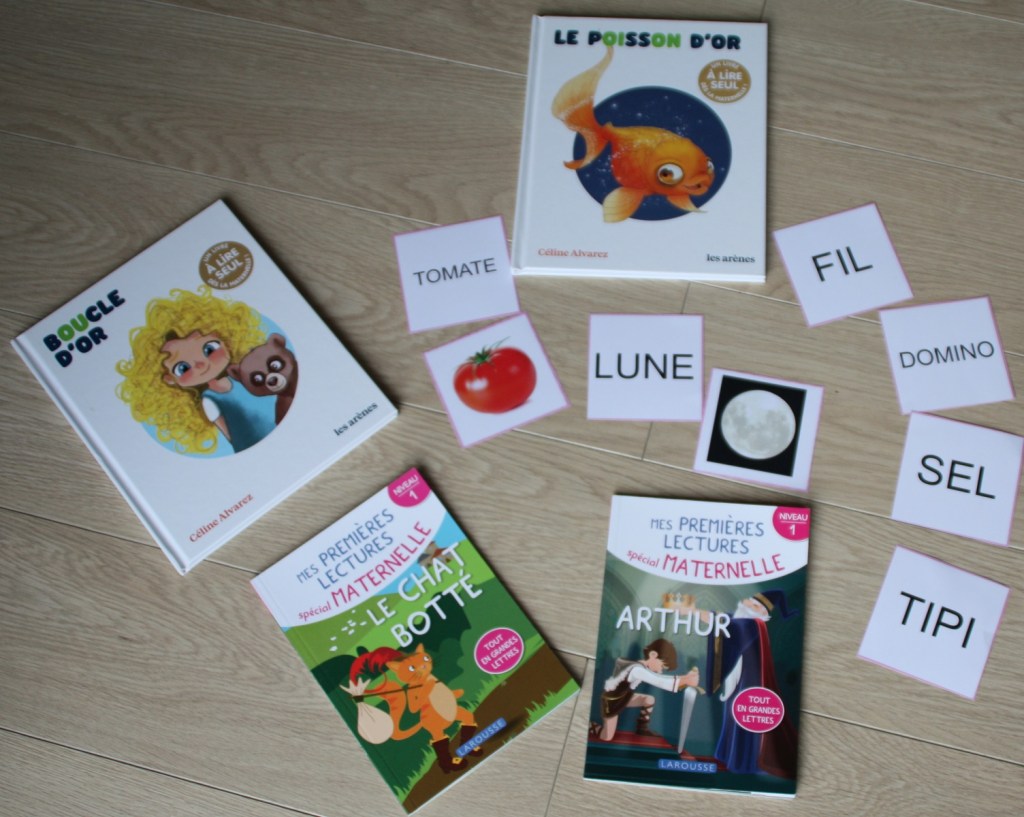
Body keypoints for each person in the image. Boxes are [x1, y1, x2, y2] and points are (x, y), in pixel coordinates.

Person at [116, 287, 276, 455]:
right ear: (169, 378)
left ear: (225, 339)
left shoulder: (243, 375)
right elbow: (229, 434)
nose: (201, 364)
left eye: (209, 349)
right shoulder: (210, 401)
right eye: (183, 368)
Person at [595, 637, 700, 741]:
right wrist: (686, 680)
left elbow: (660, 677)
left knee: (649, 699)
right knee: (607, 737)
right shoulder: (637, 670)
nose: (660, 671)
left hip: (625, 697)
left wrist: (686, 678)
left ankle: (642, 728)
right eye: (662, 666)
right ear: (653, 654)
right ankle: (593, 727)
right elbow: (659, 681)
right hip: (612, 702)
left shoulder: (640, 667)